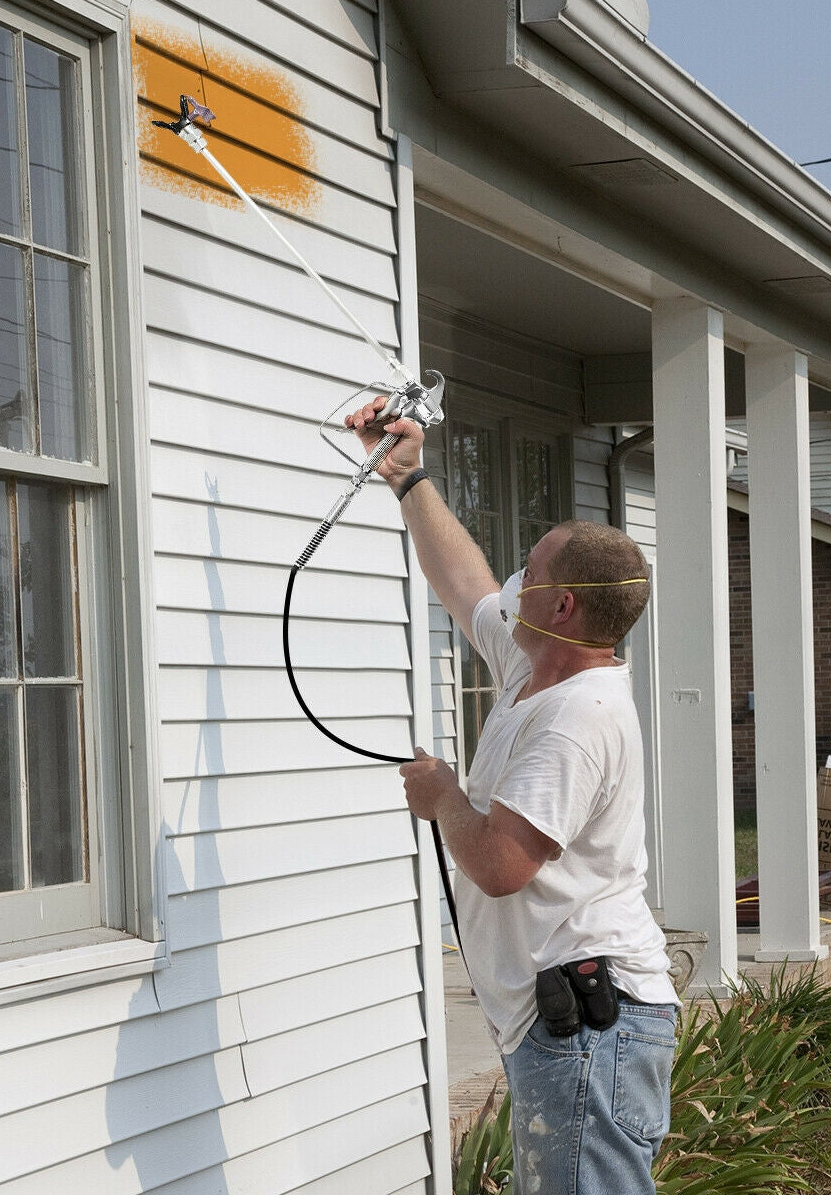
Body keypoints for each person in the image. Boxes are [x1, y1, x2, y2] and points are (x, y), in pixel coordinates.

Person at [347, 395, 680, 1195]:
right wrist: (408, 478)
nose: (513, 578)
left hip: (589, 1029)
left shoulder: (577, 717)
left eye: (528, 569)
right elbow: (463, 584)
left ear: (561, 605)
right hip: (570, 1019)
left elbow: (501, 863)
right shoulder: (540, 666)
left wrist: (443, 798)